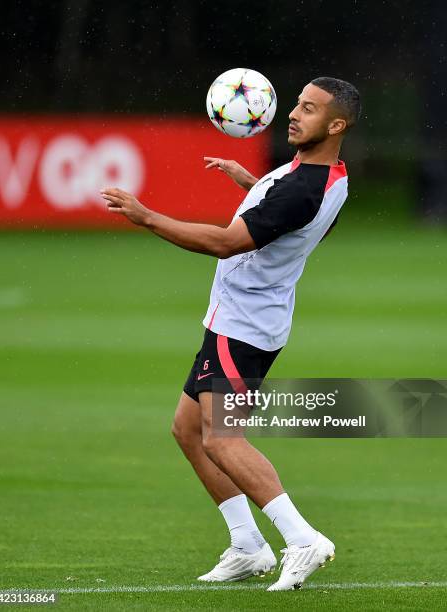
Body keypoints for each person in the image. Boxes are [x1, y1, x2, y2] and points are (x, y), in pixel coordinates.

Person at [101, 76, 361, 591]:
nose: (292, 114)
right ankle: (248, 545)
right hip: (240, 319)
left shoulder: (299, 189)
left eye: (308, 109)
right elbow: (290, 213)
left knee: (220, 438)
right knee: (187, 429)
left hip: (243, 326)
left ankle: (302, 538)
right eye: (296, 104)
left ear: (336, 125)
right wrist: (254, 184)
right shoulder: (328, 175)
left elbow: (225, 243)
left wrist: (146, 216)